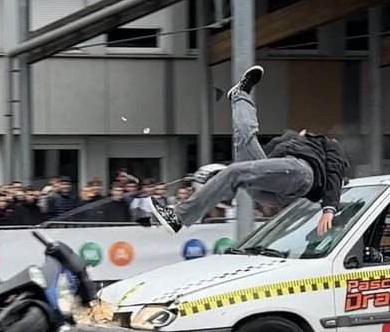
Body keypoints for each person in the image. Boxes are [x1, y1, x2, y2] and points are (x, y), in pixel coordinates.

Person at [149, 65, 348, 236]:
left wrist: (329, 208)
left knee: (236, 172)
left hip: (301, 175)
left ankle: (178, 217)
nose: (302, 133)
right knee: (245, 140)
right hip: (270, 186)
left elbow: (335, 171)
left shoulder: (327, 145)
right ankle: (240, 95)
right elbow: (256, 162)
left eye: (304, 133)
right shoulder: (286, 141)